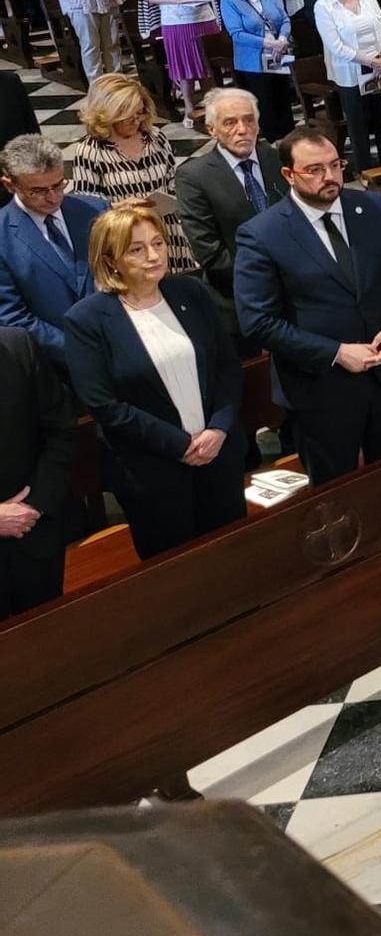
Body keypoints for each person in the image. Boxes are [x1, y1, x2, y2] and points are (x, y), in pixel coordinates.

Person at [234, 127, 381, 485]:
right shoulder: (262, 234)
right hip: (320, 390)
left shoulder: (375, 209)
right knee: (336, 497)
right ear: (288, 175)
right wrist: (336, 353)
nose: (330, 177)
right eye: (314, 170)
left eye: (335, 165)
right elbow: (258, 321)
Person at [65, 203, 245, 559]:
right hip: (154, 472)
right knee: (176, 577)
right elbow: (105, 405)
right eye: (136, 248)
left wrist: (219, 429)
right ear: (110, 259)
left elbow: (227, 366)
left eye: (158, 243)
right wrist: (180, 444)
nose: (152, 255)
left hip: (217, 456)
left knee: (232, 559)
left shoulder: (189, 293)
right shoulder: (87, 320)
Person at [175, 87, 283, 337]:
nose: (242, 129)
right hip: (238, 299)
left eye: (248, 120)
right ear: (212, 129)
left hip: (296, 289)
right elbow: (209, 252)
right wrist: (269, 278)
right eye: (230, 122)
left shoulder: (276, 159)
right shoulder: (194, 176)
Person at [64, 73, 196, 273]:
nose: (136, 121)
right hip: (127, 240)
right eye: (128, 117)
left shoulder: (155, 138)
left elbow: (171, 180)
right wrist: (119, 207)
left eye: (140, 113)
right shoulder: (90, 151)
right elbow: (87, 208)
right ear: (109, 116)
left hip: (167, 232)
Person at [0, 135, 105, 373]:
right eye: (37, 191)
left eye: (58, 185)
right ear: (9, 185)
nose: (53, 197)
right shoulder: (2, 236)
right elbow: (12, 317)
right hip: (54, 370)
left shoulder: (94, 211)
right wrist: (80, 352)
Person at [0, 324, 76, 618]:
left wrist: (35, 505)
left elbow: (60, 430)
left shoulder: (17, 344)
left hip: (34, 535)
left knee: (46, 643)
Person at [314, 0, 381, 172]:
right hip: (350, 70)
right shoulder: (324, 6)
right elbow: (335, 45)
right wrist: (369, 60)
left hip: (379, 66)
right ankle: (365, 170)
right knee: (358, 123)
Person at [220, 0, 294, 139]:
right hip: (253, 60)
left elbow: (284, 19)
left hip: (278, 54)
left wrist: (282, 39)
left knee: (284, 102)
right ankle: (272, 143)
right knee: (266, 106)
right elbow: (236, 34)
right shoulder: (229, 0)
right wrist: (267, 43)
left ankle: (289, 142)